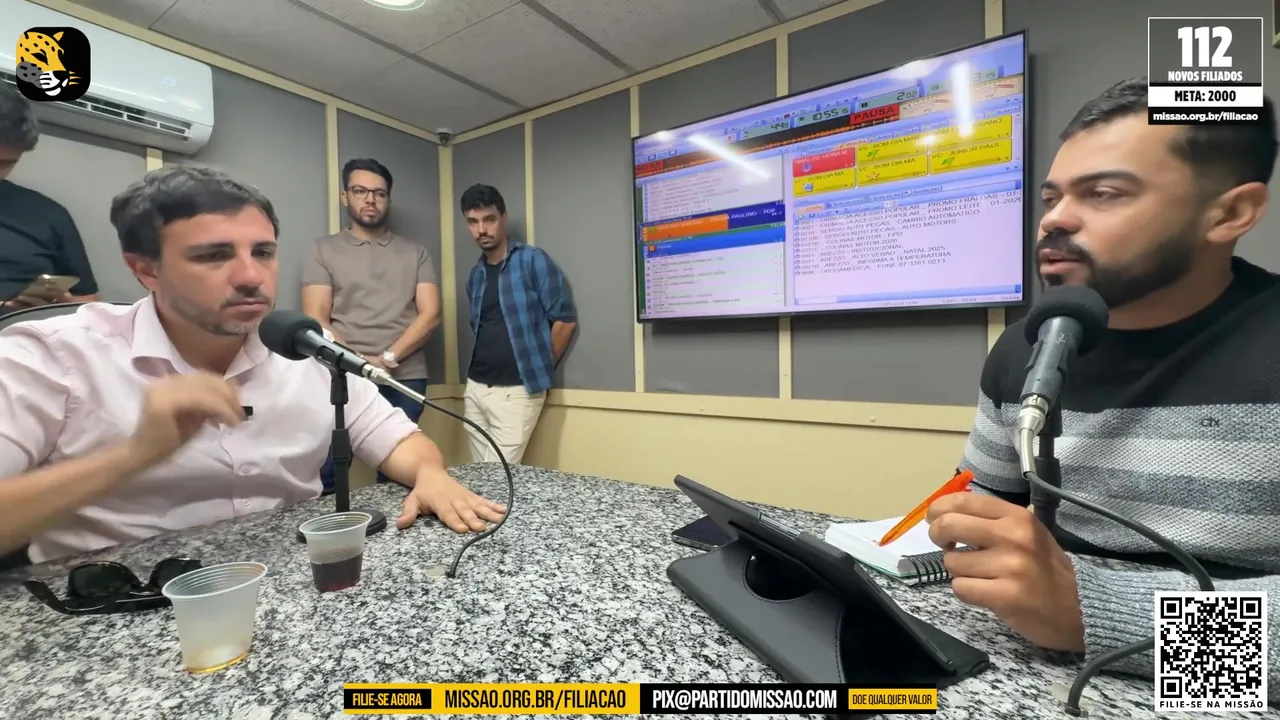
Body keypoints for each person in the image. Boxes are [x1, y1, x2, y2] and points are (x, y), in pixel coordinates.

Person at [926, 76, 1280, 701]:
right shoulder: (1023, 348)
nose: (1054, 219)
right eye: (1052, 197)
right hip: (1025, 671)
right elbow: (979, 507)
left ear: (1230, 213)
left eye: (1105, 193)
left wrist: (1094, 615)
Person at [0, 165, 504, 564]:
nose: (250, 276)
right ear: (145, 270)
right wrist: (134, 455)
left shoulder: (308, 350)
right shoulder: (51, 355)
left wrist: (430, 474)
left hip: (291, 580)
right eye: (213, 256)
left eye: (262, 252)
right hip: (113, 605)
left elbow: (396, 439)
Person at [301, 158, 441, 489]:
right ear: (345, 196)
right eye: (360, 191)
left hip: (404, 377)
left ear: (387, 199)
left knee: (398, 475)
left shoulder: (415, 252)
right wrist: (359, 363)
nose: (370, 199)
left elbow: (431, 313)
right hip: (340, 376)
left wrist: (388, 358)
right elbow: (315, 317)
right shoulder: (322, 250)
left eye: (379, 193)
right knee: (328, 475)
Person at [460, 184, 576, 465]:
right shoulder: (476, 275)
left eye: (489, 219)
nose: (481, 230)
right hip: (475, 388)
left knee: (501, 476)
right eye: (473, 222)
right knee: (481, 475)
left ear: (504, 218)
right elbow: (478, 327)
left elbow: (565, 320)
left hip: (518, 391)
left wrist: (540, 367)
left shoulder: (532, 261)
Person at [0, 83, 99, 311]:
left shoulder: (49, 215)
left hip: (32, 329)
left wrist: (64, 307)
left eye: (5, 164)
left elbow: (89, 301)